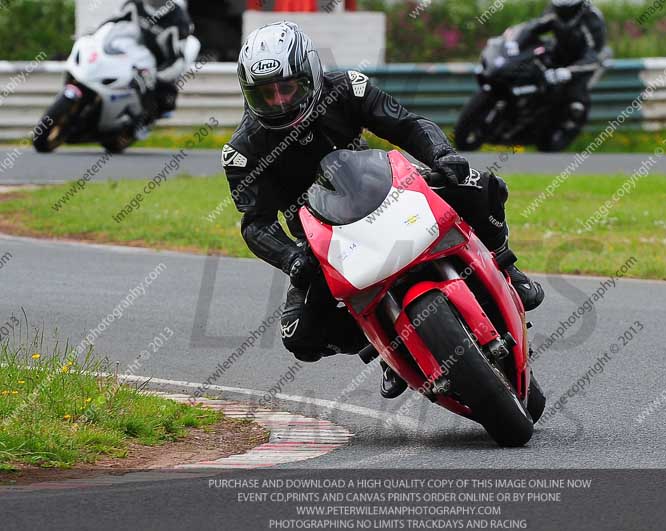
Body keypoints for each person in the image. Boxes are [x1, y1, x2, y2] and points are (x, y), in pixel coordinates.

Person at [222, 22, 544, 399]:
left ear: (310, 75)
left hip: (386, 190)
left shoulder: (346, 89)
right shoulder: (242, 151)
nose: (278, 101)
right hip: (323, 239)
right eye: (265, 94)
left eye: (286, 88)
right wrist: (291, 257)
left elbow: (408, 125)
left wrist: (441, 154)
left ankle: (504, 263)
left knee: (477, 184)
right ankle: (386, 346)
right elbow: (256, 224)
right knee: (301, 337)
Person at [516, 0, 607, 149]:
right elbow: (534, 27)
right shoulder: (553, 9)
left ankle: (569, 126)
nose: (562, 13)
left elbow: (594, 54)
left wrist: (569, 71)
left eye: (567, 9)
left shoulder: (592, 18)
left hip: (581, 62)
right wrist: (516, 42)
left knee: (576, 97)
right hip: (559, 53)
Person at [106, 0, 194, 119]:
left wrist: (154, 78)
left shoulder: (178, 17)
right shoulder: (133, 5)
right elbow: (111, 25)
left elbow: (177, 61)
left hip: (160, 67)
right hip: (134, 59)